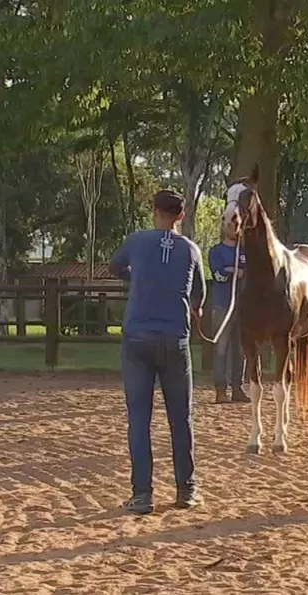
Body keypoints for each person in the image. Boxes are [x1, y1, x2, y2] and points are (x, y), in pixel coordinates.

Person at [109, 189, 206, 514]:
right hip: (175, 338)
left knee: (139, 418)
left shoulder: (136, 240)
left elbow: (114, 266)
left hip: (138, 337)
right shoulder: (191, 250)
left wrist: (137, 279)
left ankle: (142, 494)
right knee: (181, 417)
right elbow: (199, 294)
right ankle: (186, 489)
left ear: (154, 211)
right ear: (181, 215)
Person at [208, 222, 248, 404]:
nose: (234, 229)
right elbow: (218, 274)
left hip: (243, 308)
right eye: (231, 226)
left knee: (241, 350)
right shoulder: (216, 251)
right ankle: (221, 389)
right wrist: (233, 271)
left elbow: (251, 274)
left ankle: (238, 388)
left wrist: (232, 270)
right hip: (223, 305)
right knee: (221, 349)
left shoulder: (245, 252)